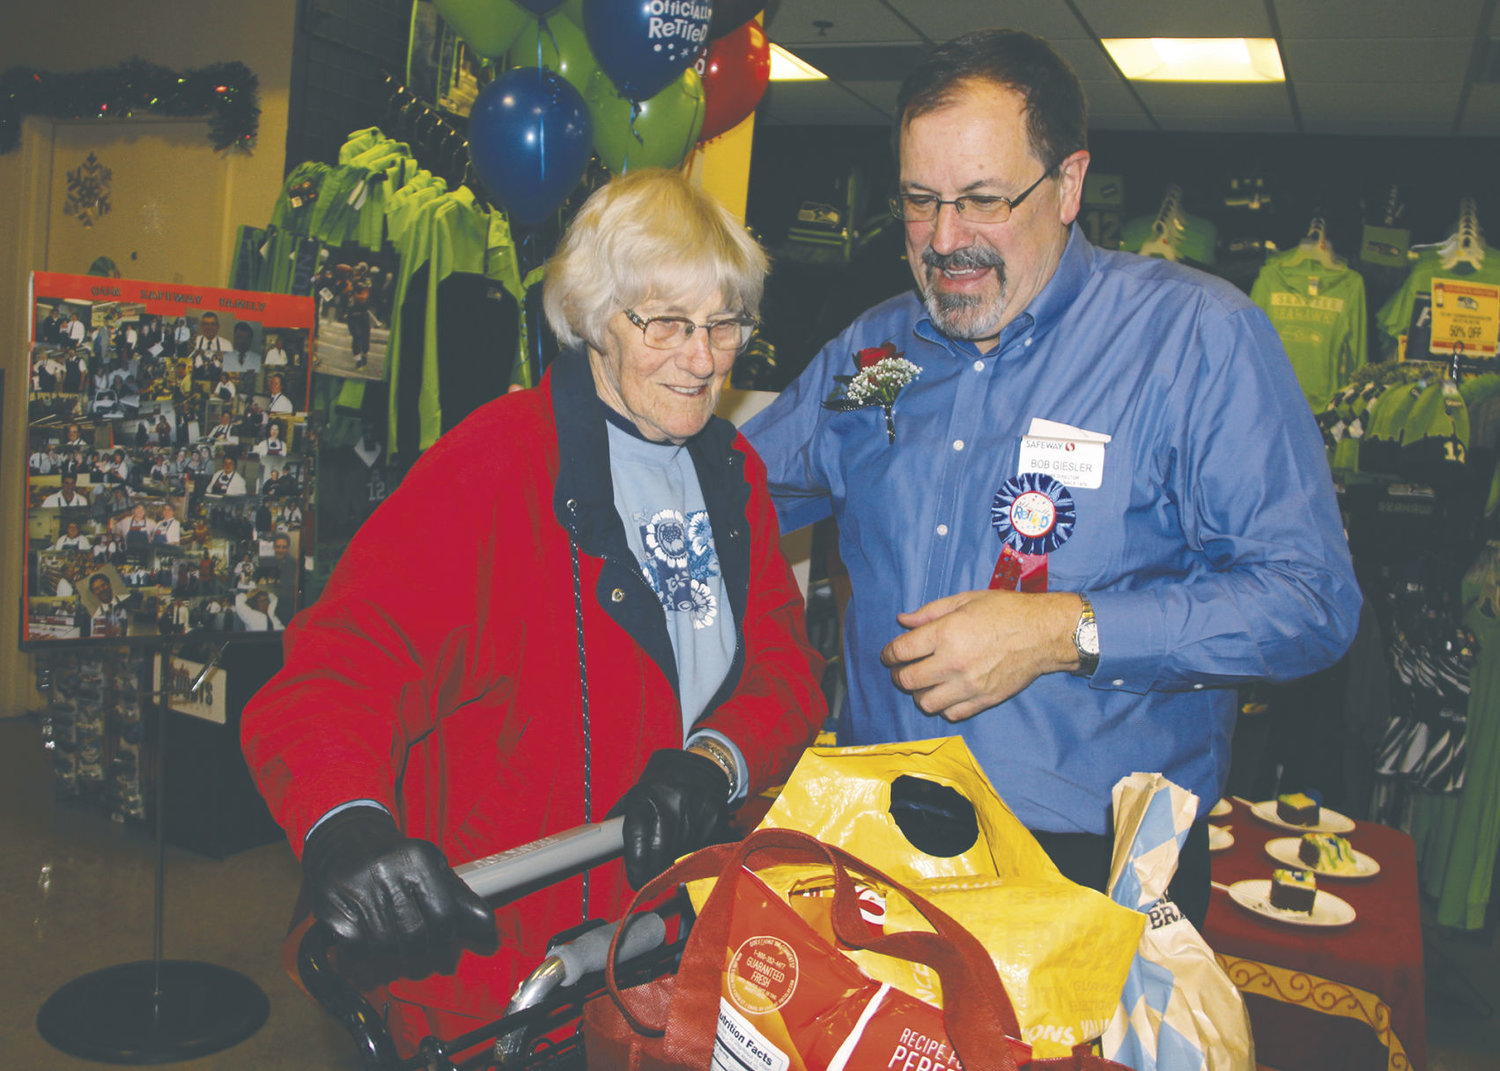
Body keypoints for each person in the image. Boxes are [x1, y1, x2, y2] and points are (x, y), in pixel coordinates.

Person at [742, 29, 1362, 928]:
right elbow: (734, 488)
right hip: (880, 848)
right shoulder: (878, 356)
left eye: (983, 200)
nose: (945, 239)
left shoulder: (1194, 341)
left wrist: (1062, 630)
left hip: (1093, 874)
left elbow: (1310, 602)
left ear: (1068, 186)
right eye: (921, 201)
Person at [239, 168, 826, 1057]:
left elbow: (781, 668)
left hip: (667, 943)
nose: (703, 357)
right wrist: (344, 818)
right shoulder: (491, 468)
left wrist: (715, 760)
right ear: (593, 316)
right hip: (504, 980)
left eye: (724, 323)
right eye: (666, 322)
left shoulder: (731, 470)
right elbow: (332, 672)